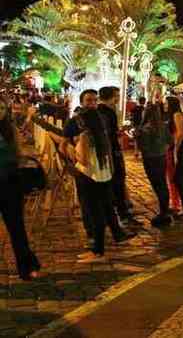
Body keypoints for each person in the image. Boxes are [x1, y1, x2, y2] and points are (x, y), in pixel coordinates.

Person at [72, 108, 135, 264]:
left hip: (89, 178)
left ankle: (98, 251)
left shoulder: (85, 136)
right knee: (103, 212)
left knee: (96, 216)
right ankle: (98, 250)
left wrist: (71, 150)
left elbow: (83, 160)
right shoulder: (103, 135)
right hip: (104, 177)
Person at [0, 96, 43, 280]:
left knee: (17, 228)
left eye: (2, 108)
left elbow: (17, 154)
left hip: (10, 185)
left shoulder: (9, 130)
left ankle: (27, 267)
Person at [62, 89, 101, 241]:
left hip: (100, 168)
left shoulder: (101, 119)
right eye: (88, 100)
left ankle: (99, 232)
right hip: (83, 169)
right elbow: (63, 145)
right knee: (86, 202)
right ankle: (91, 232)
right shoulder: (74, 122)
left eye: (94, 100)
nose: (92, 104)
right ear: (81, 103)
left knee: (99, 202)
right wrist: (73, 158)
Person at [97, 87, 137, 225]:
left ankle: (118, 212)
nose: (119, 98)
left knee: (115, 183)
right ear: (111, 97)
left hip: (108, 151)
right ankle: (122, 214)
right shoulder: (107, 112)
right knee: (118, 182)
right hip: (112, 151)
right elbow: (108, 134)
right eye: (117, 96)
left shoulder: (100, 111)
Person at [136, 104, 173, 227]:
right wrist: (162, 150)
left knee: (157, 184)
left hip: (151, 159)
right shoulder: (163, 126)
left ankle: (163, 212)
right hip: (161, 157)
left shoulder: (145, 129)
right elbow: (169, 142)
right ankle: (164, 210)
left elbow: (143, 147)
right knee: (162, 183)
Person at [165, 97, 183, 214]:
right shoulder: (174, 115)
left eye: (166, 103)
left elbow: (180, 133)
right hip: (173, 147)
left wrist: (175, 146)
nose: (165, 105)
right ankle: (175, 202)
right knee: (172, 176)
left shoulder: (176, 115)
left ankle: (176, 203)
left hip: (175, 148)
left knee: (174, 176)